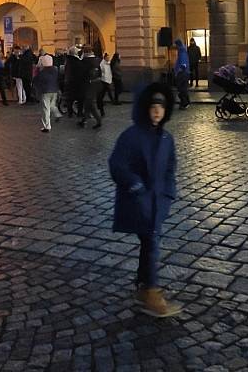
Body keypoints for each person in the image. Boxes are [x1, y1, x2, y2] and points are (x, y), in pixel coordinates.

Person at [109, 83, 182, 318]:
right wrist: (135, 184)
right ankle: (150, 291)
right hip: (138, 201)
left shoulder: (166, 138)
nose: (157, 112)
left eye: (161, 107)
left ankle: (144, 286)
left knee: (149, 243)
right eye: (152, 107)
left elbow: (170, 168)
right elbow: (117, 165)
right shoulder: (131, 136)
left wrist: (169, 193)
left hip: (157, 202)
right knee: (151, 244)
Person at [34, 54, 61, 132]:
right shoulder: (55, 70)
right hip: (54, 90)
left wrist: (38, 68)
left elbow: (35, 81)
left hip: (45, 91)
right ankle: (57, 114)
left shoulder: (42, 73)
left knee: (46, 109)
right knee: (52, 105)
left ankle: (47, 126)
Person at [78, 45, 103, 129]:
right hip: (96, 84)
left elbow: (81, 74)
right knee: (89, 103)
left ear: (85, 52)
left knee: (91, 104)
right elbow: (100, 73)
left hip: (88, 84)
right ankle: (83, 120)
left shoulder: (85, 61)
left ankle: (98, 121)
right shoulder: (97, 60)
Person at [64, 46, 85, 117]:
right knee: (80, 98)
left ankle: (70, 113)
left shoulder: (68, 60)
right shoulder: (76, 61)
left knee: (70, 98)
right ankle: (79, 112)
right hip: (76, 82)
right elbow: (80, 72)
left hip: (69, 81)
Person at [173, 38, 191, 109]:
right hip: (185, 73)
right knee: (183, 88)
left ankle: (184, 103)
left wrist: (179, 71)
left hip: (182, 73)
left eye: (176, 45)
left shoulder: (181, 51)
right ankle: (186, 102)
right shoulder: (183, 50)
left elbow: (183, 63)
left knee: (181, 89)